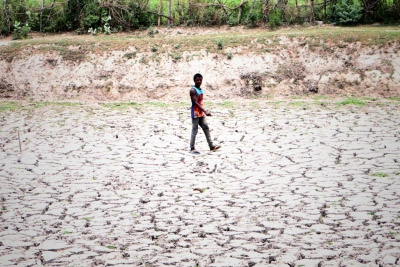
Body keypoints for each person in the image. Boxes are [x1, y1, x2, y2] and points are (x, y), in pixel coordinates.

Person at [190, 73, 221, 153]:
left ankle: (211, 146)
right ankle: (192, 148)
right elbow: (195, 103)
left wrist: (203, 111)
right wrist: (205, 111)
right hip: (196, 112)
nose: (199, 81)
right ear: (194, 80)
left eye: (200, 80)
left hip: (200, 112)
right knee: (195, 129)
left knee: (206, 127)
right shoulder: (192, 90)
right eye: (197, 80)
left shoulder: (200, 89)